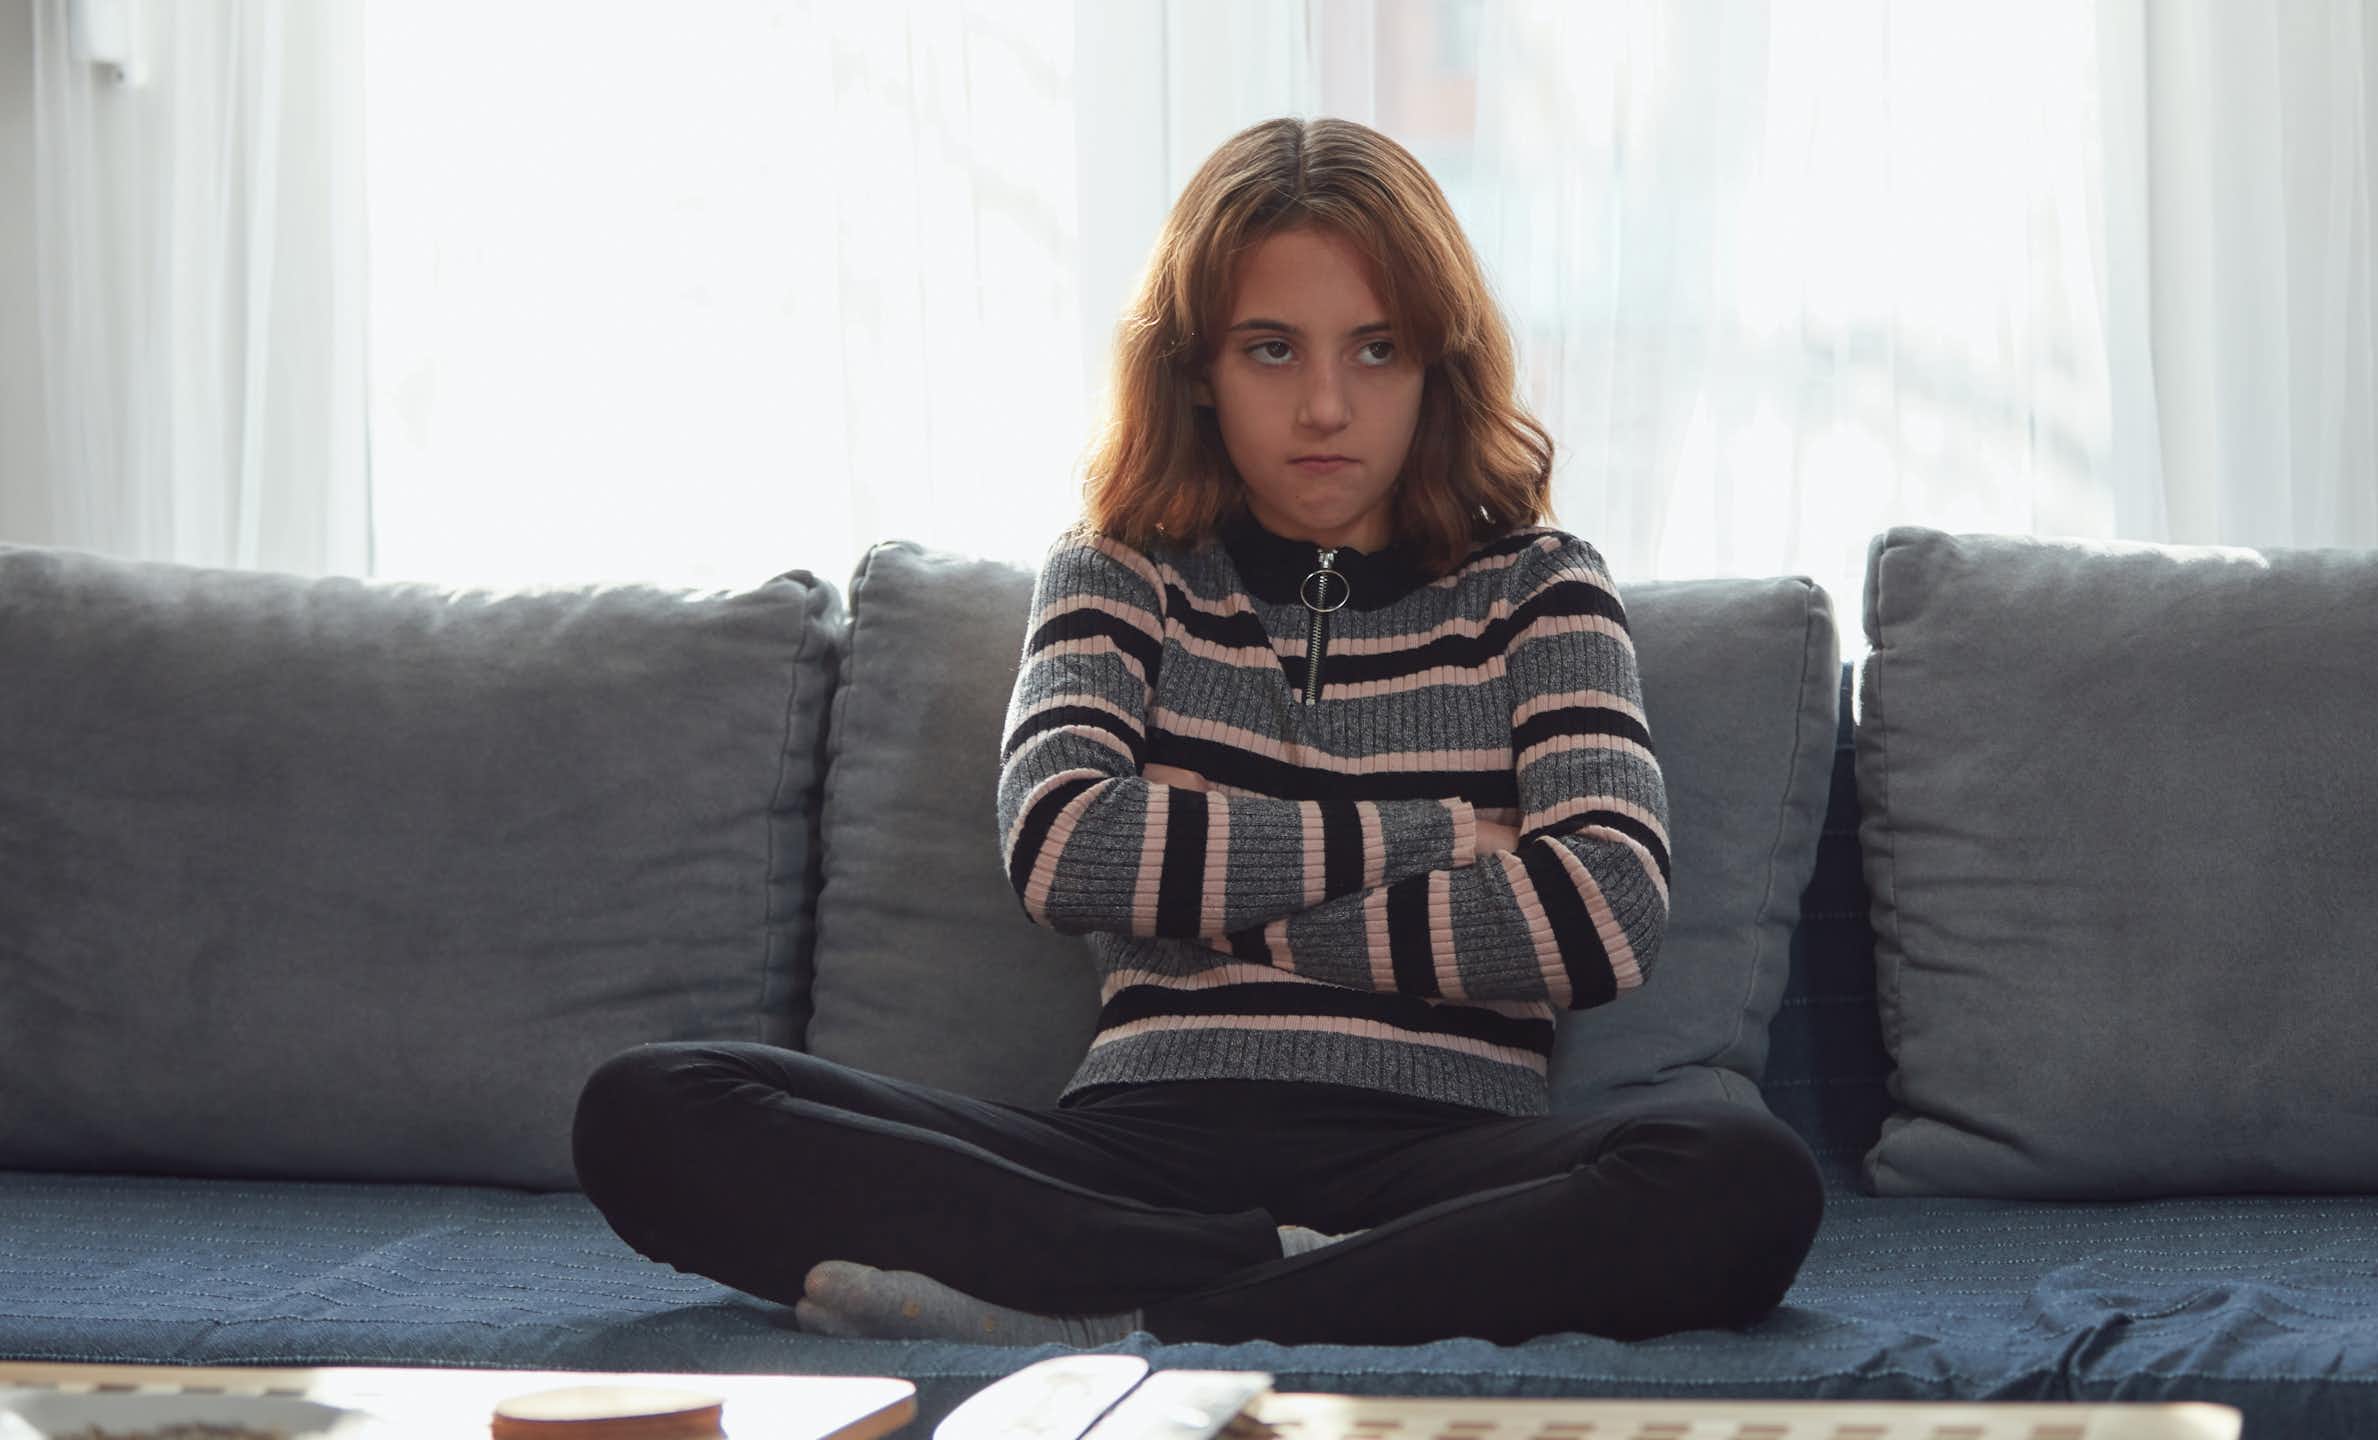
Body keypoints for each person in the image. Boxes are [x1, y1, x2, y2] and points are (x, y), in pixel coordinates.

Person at [572, 116, 1823, 1348]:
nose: (1327, 406)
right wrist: (1439, 831)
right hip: (1132, 1148)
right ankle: (1301, 1287)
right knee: (652, 1110)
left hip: (1445, 1156)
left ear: (1437, 365)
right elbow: (1065, 848)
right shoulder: (1119, 569)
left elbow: (1603, 911)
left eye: (1376, 349)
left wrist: (1196, 886)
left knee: (1739, 1175)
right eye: (1272, 351)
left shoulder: (1538, 586)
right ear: (1197, 371)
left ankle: (1122, 1311)